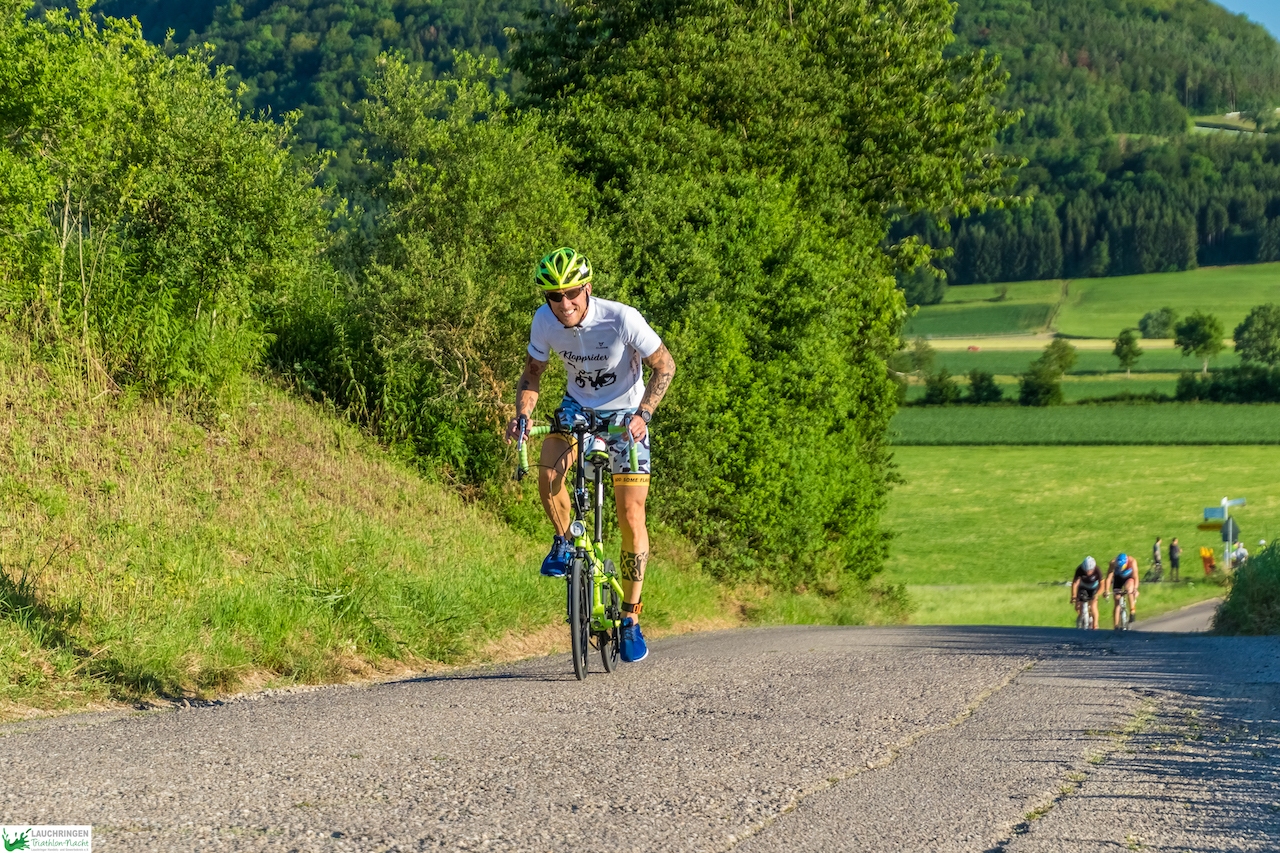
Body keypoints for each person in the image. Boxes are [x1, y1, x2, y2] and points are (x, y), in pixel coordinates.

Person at [506, 247, 677, 664]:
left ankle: (631, 618)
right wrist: (522, 415)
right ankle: (565, 542)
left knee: (631, 515)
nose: (564, 304)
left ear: (587, 288)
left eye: (571, 293)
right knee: (548, 473)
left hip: (625, 416)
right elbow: (532, 374)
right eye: (554, 295)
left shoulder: (621, 318)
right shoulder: (544, 321)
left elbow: (665, 366)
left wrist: (644, 414)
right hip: (578, 409)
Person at [1103, 552, 1139, 628]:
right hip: (1118, 579)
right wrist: (1106, 590)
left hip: (1128, 578)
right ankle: (1116, 626)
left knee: (1129, 589)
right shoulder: (1113, 563)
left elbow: (1136, 576)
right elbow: (1108, 578)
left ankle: (1132, 611)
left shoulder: (1132, 561)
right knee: (1117, 600)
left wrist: (1135, 589)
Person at [1070, 556, 1103, 629]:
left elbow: (1102, 584)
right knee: (1078, 606)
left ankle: (1095, 625)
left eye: (1090, 571)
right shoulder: (1079, 569)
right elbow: (1075, 583)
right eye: (1086, 571)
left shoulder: (1097, 570)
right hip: (1083, 587)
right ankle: (1081, 618)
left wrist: (1097, 594)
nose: (1088, 573)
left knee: (1093, 606)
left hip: (1094, 588)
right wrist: (1073, 596)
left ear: (1093, 568)